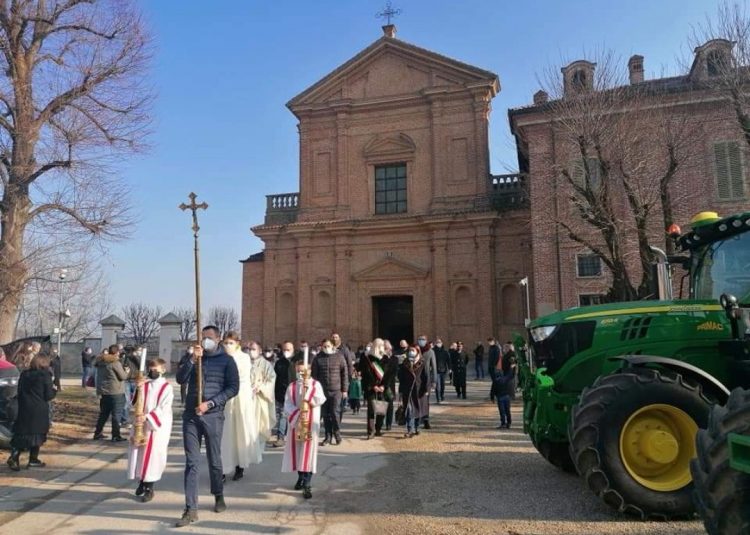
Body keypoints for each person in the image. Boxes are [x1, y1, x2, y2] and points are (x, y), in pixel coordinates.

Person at [175, 325, 240, 528]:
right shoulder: (194, 357)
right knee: (192, 462)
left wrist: (211, 403)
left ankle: (218, 494)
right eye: (203, 337)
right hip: (191, 416)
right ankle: (190, 508)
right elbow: (180, 379)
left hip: (213, 416)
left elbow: (233, 388)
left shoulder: (227, 361)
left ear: (218, 338)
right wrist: (192, 359)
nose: (206, 341)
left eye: (209, 337)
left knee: (214, 458)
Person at [127, 358, 173, 502]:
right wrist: (138, 388)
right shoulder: (145, 385)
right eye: (151, 369)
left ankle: (149, 488)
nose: (152, 372)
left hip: (156, 426)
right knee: (139, 454)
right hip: (141, 424)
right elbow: (134, 401)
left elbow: (163, 408)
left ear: (163, 370)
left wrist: (147, 417)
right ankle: (141, 481)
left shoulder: (166, 387)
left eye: (156, 369)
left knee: (152, 456)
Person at [282, 360, 327, 499]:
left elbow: (320, 399)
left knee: (308, 453)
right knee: (298, 452)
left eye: (304, 371)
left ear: (309, 371)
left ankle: (307, 483)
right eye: (299, 371)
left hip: (311, 423)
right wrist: (297, 414)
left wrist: (308, 396)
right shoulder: (292, 386)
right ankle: (300, 477)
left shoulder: (315, 385)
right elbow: (287, 404)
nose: (301, 374)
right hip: (296, 423)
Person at [7, 354, 56, 471]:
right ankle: (33, 459)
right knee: (37, 434)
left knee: (21, 433)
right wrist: (55, 390)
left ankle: (14, 457)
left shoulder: (24, 374)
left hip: (24, 407)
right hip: (38, 408)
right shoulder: (45, 375)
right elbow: (48, 395)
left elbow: (18, 390)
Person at [219, 332, 254, 481]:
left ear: (237, 343)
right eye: (225, 343)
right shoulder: (220, 357)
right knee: (225, 434)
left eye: (231, 343)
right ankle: (222, 468)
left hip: (241, 397)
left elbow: (240, 376)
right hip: (224, 398)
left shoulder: (244, 358)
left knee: (240, 431)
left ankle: (240, 465)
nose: (228, 346)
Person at [241, 340, 276, 468]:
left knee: (259, 426)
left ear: (260, 350)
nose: (251, 351)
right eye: (249, 349)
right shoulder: (244, 363)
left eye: (254, 349)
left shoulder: (266, 364)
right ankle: (246, 451)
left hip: (260, 399)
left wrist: (260, 387)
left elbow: (272, 379)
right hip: (246, 399)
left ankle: (259, 452)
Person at [311, 338, 348, 446]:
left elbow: (344, 374)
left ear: (332, 346)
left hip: (336, 390)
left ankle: (337, 433)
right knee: (326, 415)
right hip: (322, 391)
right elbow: (314, 376)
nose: (326, 348)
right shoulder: (318, 358)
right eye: (324, 346)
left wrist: (344, 390)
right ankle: (327, 436)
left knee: (335, 413)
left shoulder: (339, 357)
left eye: (328, 346)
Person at [359, 338, 397, 438]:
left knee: (381, 409)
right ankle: (370, 431)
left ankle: (378, 428)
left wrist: (384, 385)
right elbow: (366, 374)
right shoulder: (368, 359)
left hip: (382, 388)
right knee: (371, 410)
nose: (382, 348)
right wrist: (373, 385)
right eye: (380, 346)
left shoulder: (385, 358)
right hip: (371, 388)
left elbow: (389, 374)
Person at [93, 345, 128, 441]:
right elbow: (123, 377)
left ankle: (97, 433)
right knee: (117, 414)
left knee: (103, 414)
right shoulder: (115, 363)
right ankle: (116, 435)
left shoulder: (101, 362)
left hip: (104, 392)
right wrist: (127, 371)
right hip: (116, 391)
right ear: (117, 353)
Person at [398, 346, 428, 438]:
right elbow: (401, 377)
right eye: (410, 350)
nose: (411, 352)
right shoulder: (405, 363)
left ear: (417, 352)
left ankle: (417, 427)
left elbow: (426, 377)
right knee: (409, 410)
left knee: (418, 409)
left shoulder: (422, 363)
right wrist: (400, 391)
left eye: (413, 350)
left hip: (418, 389)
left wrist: (426, 389)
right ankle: (409, 429)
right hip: (407, 390)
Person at [273, 341, 293, 445]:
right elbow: (275, 379)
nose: (286, 352)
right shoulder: (279, 363)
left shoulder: (296, 363)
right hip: (281, 393)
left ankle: (290, 436)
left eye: (288, 350)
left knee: (292, 416)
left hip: (294, 394)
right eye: (285, 349)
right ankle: (280, 437)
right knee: (282, 415)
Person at [331, 332, 354, 422]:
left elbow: (349, 364)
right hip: (331, 379)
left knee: (339, 402)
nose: (334, 339)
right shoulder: (329, 348)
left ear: (339, 338)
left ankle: (337, 420)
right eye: (333, 337)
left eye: (336, 337)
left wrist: (348, 377)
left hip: (341, 379)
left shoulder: (344, 349)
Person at [416, 335, 436, 429]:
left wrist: (434, 381)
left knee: (426, 401)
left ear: (426, 341)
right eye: (420, 339)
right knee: (417, 400)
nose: (421, 341)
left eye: (423, 340)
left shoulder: (430, 352)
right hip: (417, 380)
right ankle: (418, 419)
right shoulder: (415, 350)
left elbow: (434, 367)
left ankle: (426, 420)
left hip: (426, 380)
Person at [494, 346, 517, 429]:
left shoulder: (496, 381)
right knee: (507, 410)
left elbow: (493, 389)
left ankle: (504, 423)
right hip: (505, 395)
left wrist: (493, 396)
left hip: (502, 395)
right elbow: (510, 374)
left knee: (503, 410)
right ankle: (508, 423)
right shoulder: (504, 378)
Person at [383, 340, 397, 430]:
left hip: (389, 386)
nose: (385, 349)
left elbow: (393, 372)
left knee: (390, 405)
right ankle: (380, 423)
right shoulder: (380, 358)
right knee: (381, 405)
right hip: (380, 386)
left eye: (386, 348)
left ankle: (389, 423)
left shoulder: (394, 359)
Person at [433, 338, 450, 404]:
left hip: (443, 370)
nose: (438, 343)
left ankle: (442, 395)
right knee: (438, 386)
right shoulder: (433, 351)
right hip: (436, 371)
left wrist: (450, 368)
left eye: (439, 342)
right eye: (437, 342)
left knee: (442, 385)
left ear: (442, 343)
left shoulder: (445, 352)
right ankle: (438, 398)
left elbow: (448, 360)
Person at [487, 338, 501, 402]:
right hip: (491, 367)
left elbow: (497, 358)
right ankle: (494, 394)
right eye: (488, 342)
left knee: (495, 382)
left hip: (494, 368)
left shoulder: (496, 348)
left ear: (493, 341)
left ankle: (493, 395)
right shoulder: (491, 348)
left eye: (490, 341)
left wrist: (494, 365)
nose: (489, 343)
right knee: (495, 382)